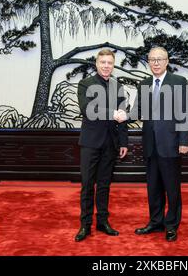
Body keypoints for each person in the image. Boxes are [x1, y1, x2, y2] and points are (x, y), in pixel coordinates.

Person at [115, 46, 188, 242]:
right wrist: (124, 115)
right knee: (153, 187)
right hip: (150, 144)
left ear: (167, 61)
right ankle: (155, 222)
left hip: (171, 143)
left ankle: (171, 225)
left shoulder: (178, 82)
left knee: (172, 188)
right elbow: (138, 110)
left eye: (160, 59)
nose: (156, 63)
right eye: (152, 59)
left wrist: (184, 141)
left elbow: (185, 113)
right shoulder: (144, 84)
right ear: (148, 62)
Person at [75, 49, 128, 242]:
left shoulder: (117, 86)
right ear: (96, 64)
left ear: (113, 65)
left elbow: (122, 116)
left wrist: (123, 142)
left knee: (105, 185)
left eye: (110, 63)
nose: (106, 65)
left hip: (111, 144)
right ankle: (85, 225)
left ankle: (103, 221)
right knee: (88, 185)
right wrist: (112, 113)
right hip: (90, 142)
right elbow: (87, 109)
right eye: (103, 62)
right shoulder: (85, 84)